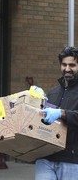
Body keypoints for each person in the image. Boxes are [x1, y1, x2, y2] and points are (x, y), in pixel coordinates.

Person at [35, 46, 78, 180]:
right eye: (64, 64)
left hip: (71, 159)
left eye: (72, 65)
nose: (67, 69)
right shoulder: (52, 93)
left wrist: (62, 113)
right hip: (45, 159)